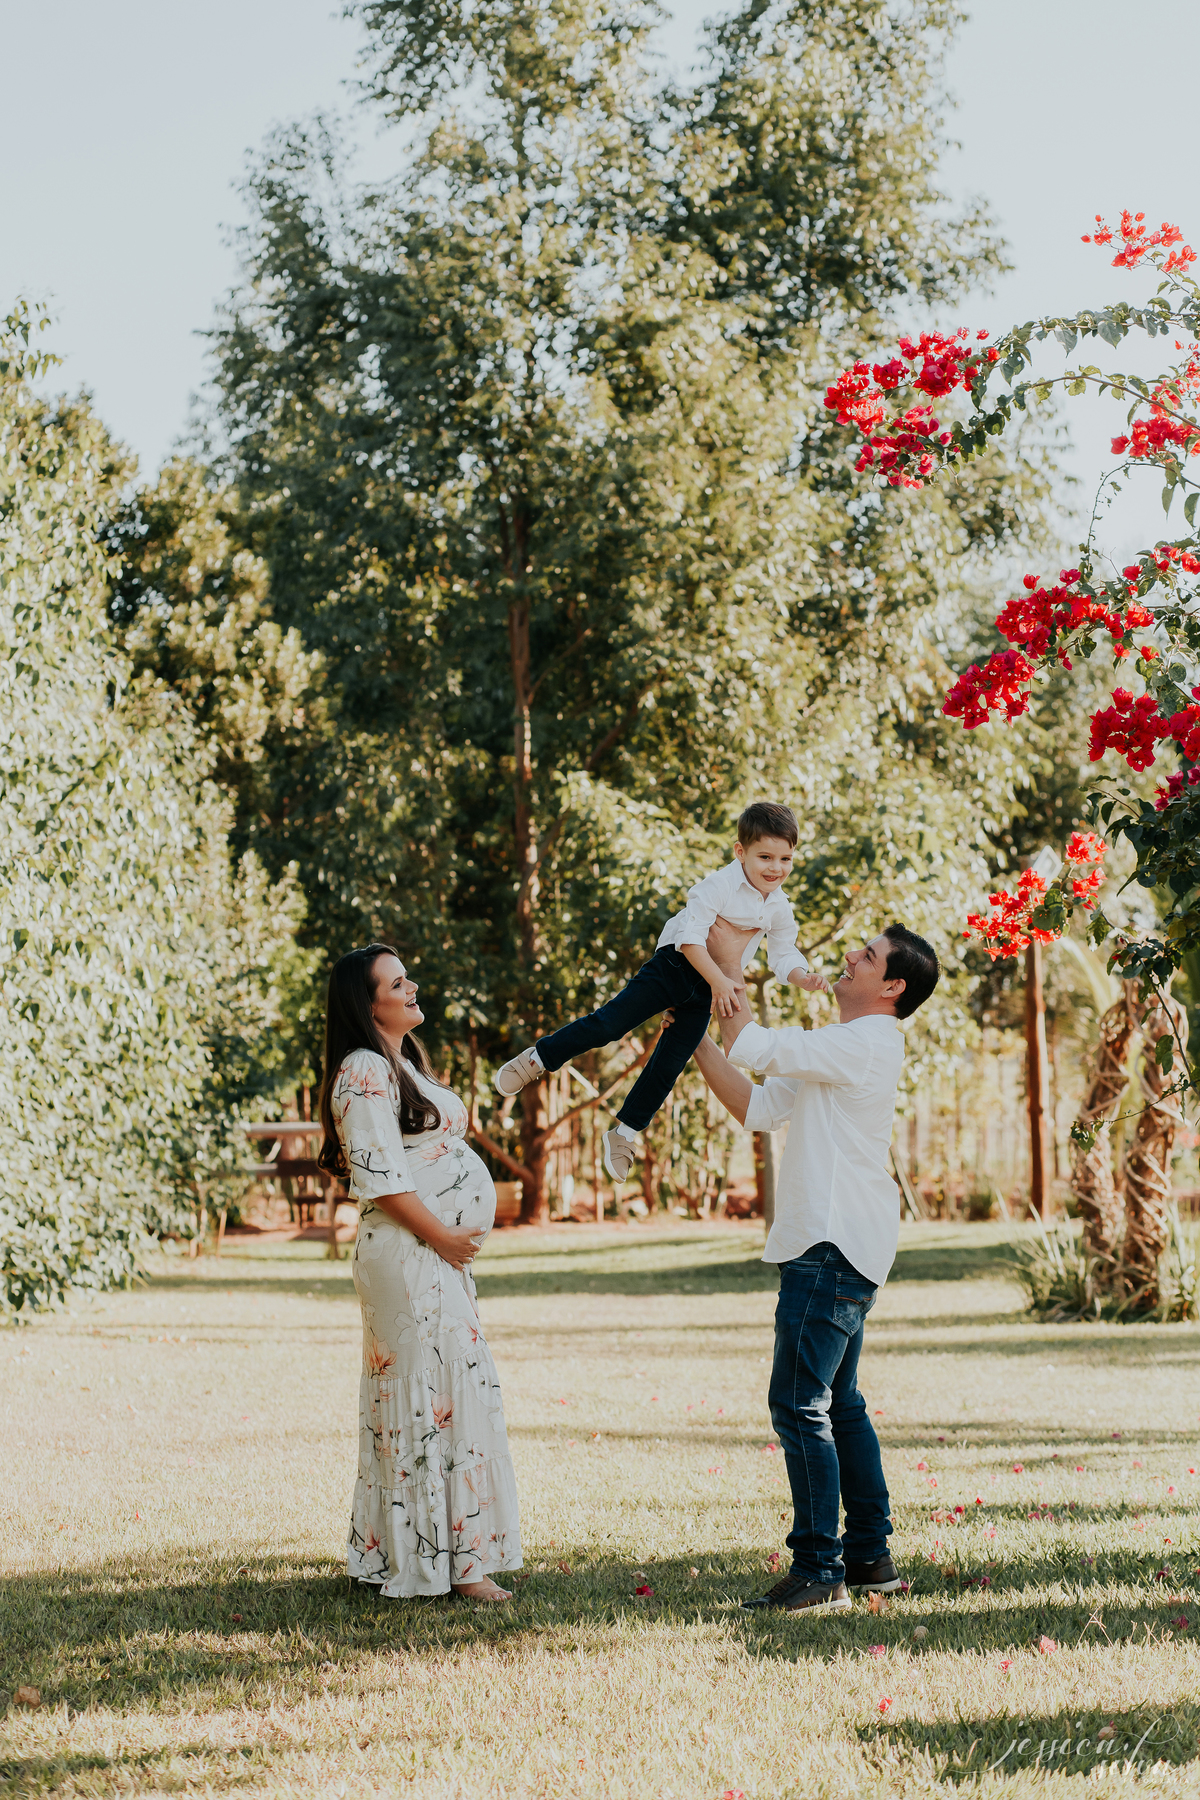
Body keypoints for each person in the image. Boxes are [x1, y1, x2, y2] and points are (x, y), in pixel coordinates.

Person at [691, 918, 940, 1613]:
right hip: (842, 1245)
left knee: (798, 1404)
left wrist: (719, 971)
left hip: (831, 1248)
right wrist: (694, 1041)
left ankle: (818, 1569)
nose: (850, 957)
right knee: (841, 1403)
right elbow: (758, 1105)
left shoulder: (865, 1040)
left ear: (892, 987)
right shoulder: (844, 1046)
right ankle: (868, 1558)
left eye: (869, 956)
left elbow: (755, 1043)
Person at [317, 943, 522, 1603]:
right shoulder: (363, 1068)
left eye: (407, 979)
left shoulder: (400, 1064)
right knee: (428, 1397)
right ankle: (449, 1566)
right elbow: (378, 1177)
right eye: (396, 983)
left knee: (453, 1390)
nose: (411, 989)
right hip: (409, 1256)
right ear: (367, 1003)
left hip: (431, 1254)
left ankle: (442, 1557)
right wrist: (442, 1236)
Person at [493, 801, 829, 1185]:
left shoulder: (779, 905)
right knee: (609, 1024)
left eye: (786, 859)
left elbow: (783, 953)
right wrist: (721, 981)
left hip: (708, 988)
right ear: (741, 852)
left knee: (671, 1062)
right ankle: (538, 1058)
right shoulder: (718, 885)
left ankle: (625, 1131)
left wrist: (802, 977)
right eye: (765, 857)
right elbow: (690, 940)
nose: (776, 868)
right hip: (674, 966)